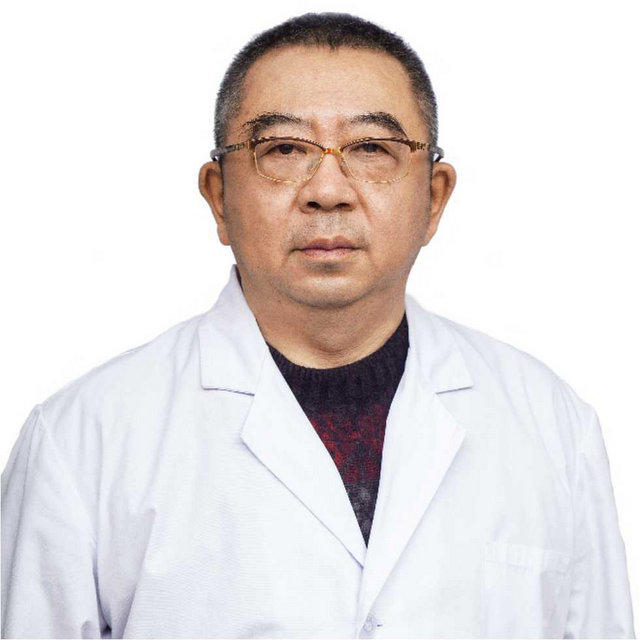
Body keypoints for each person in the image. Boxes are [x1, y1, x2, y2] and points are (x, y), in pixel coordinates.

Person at [1, 12, 634, 639]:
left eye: (372, 149)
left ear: (433, 198)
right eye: (283, 149)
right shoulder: (83, 440)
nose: (328, 190)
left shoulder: (551, 424)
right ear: (219, 196)